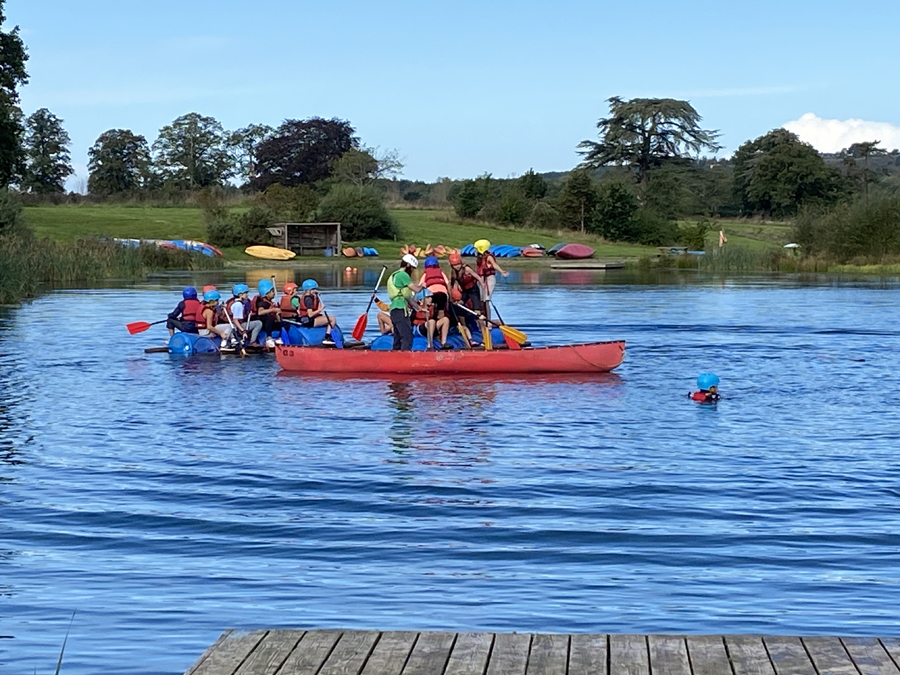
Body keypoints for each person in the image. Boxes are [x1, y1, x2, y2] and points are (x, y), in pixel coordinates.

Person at [387, 254, 422, 351]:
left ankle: (395, 357)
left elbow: (407, 298)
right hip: (400, 309)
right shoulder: (403, 275)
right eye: (412, 269)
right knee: (407, 336)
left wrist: (419, 308)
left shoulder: (395, 275)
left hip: (394, 310)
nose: (412, 271)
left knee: (398, 338)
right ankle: (405, 358)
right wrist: (422, 285)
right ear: (408, 266)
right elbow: (416, 289)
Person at [474, 239, 508, 319]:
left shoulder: (489, 257)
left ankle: (488, 320)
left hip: (488, 279)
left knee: (486, 300)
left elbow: (494, 265)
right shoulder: (480, 257)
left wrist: (501, 271)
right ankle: (482, 319)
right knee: (481, 301)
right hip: (481, 279)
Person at [295, 279, 337, 344]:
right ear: (308, 290)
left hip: (305, 319)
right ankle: (327, 337)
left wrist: (317, 297)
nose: (315, 290)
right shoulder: (309, 300)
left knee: (324, 317)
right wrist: (320, 309)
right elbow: (310, 314)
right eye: (313, 289)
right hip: (308, 321)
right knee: (332, 319)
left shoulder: (306, 297)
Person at [253, 278, 282, 348]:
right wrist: (273, 310)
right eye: (272, 291)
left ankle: (280, 338)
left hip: (269, 324)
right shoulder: (263, 303)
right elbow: (260, 312)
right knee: (268, 318)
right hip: (262, 324)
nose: (274, 293)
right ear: (266, 293)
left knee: (283, 324)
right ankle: (268, 338)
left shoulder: (269, 302)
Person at [421, 255, 451, 322]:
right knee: (441, 310)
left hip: (432, 294)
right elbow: (448, 284)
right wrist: (451, 297)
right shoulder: (441, 273)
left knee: (431, 308)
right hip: (442, 294)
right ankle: (442, 322)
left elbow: (421, 285)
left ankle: (432, 322)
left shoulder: (425, 274)